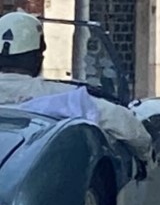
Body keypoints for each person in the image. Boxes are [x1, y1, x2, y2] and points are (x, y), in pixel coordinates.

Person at [0, 11, 152, 162]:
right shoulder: (63, 98)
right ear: (37, 57)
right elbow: (125, 124)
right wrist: (146, 156)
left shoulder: (62, 96)